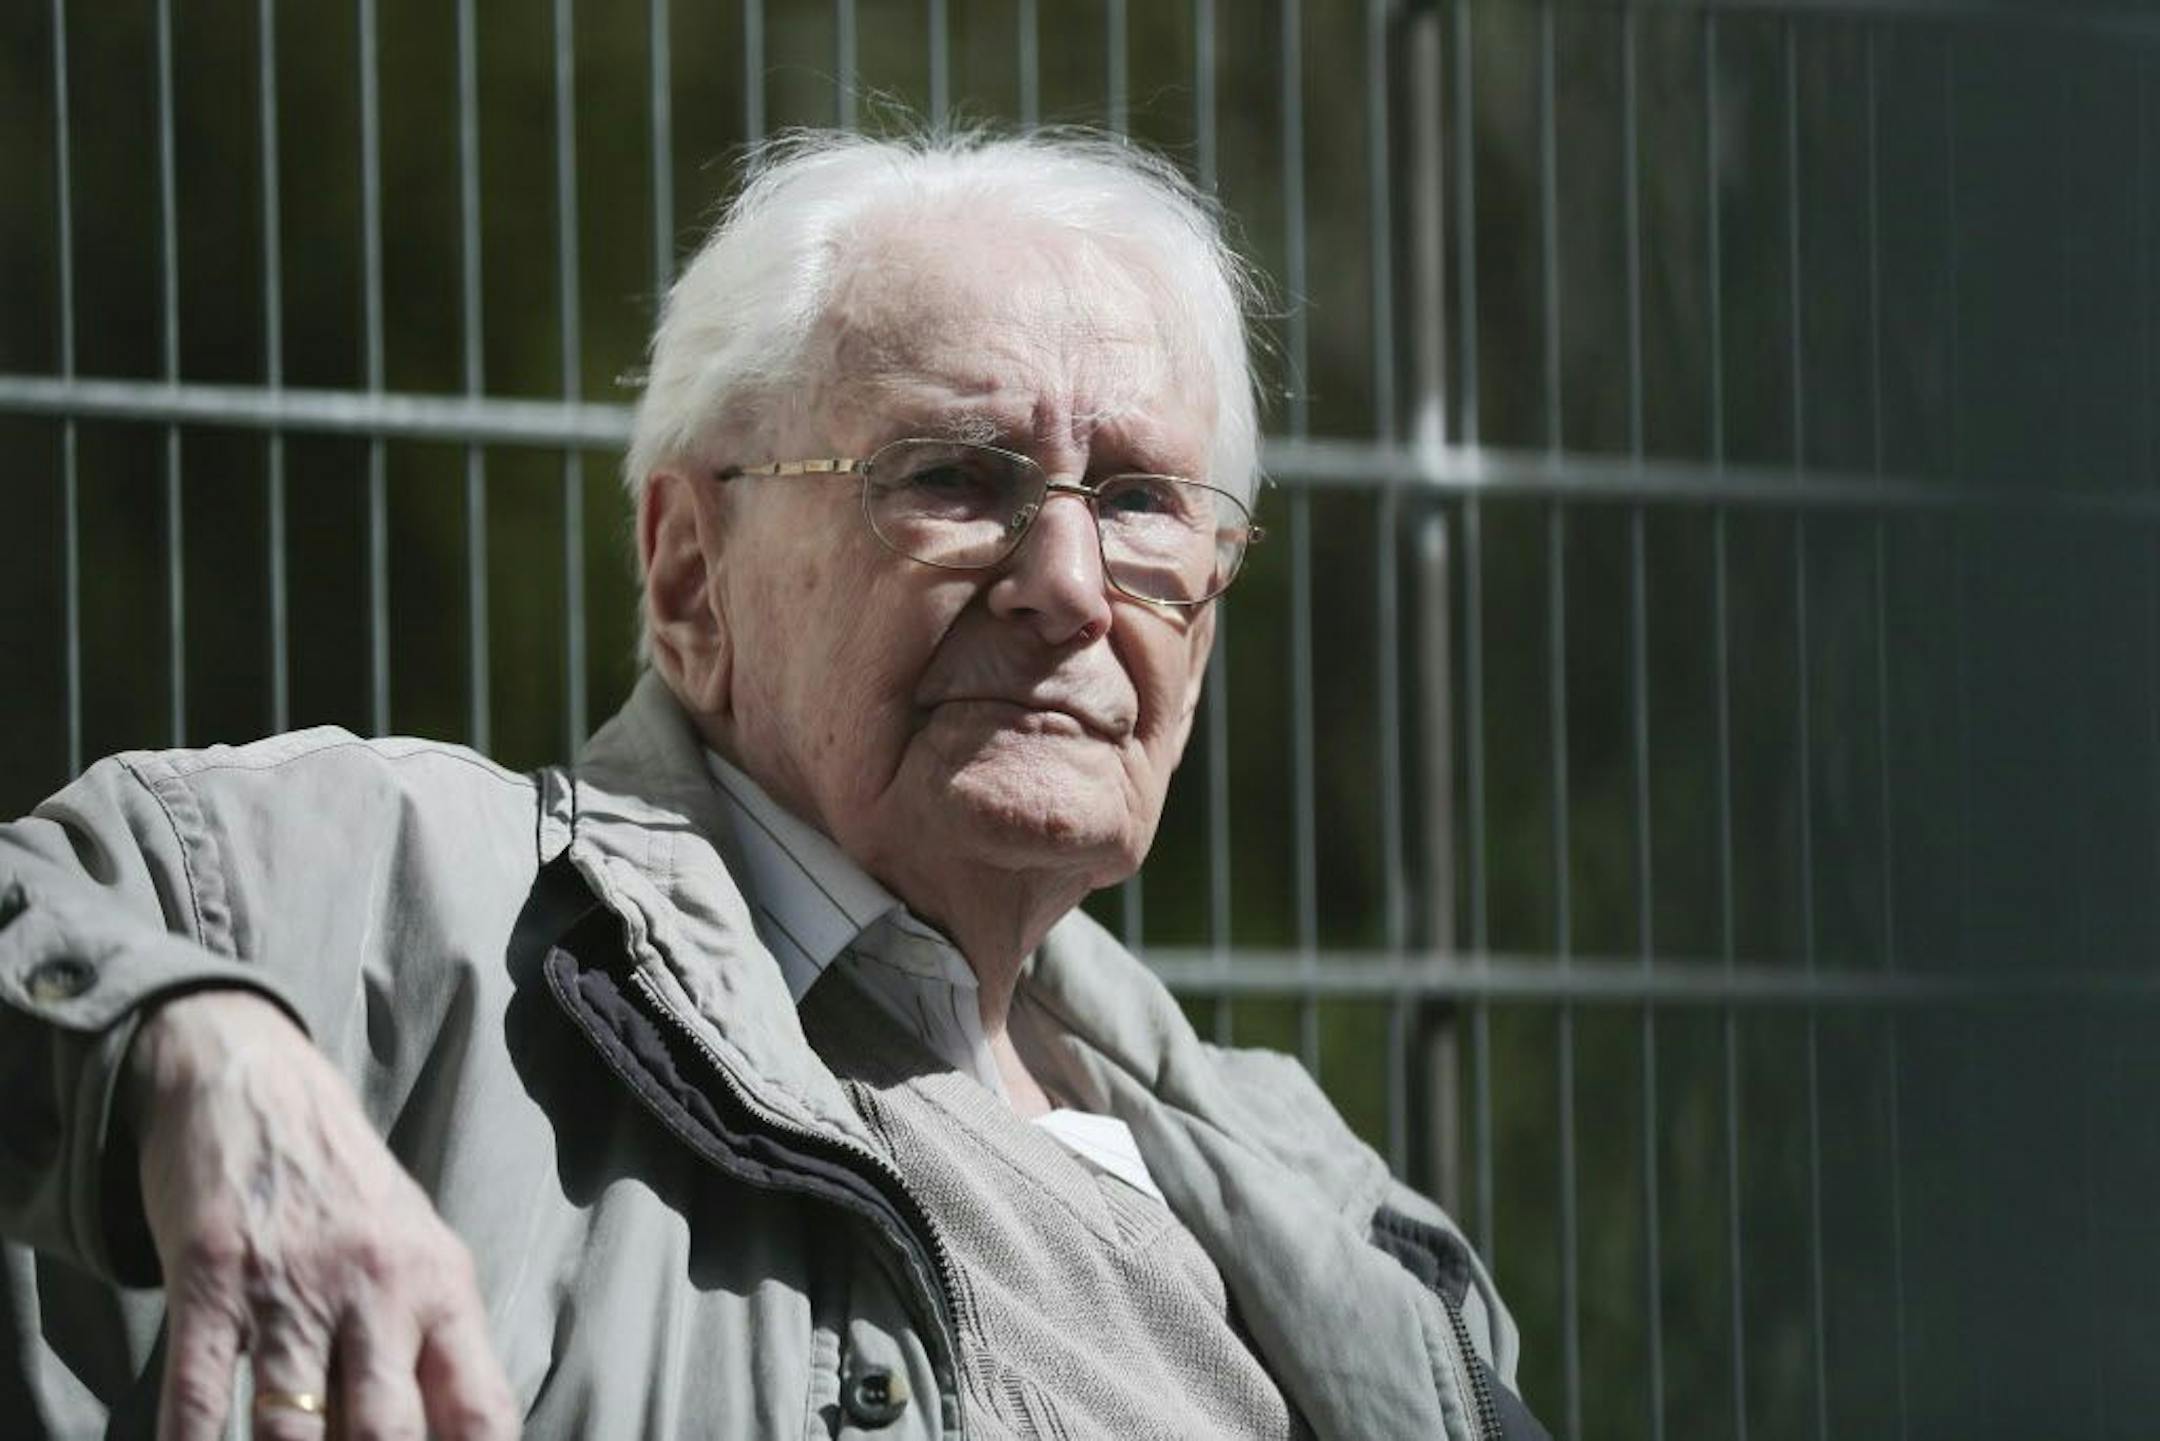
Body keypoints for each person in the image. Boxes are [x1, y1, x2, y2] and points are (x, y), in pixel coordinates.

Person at [0, 129, 1547, 1440]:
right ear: (689, 569)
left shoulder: (1307, 1183)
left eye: (1143, 501)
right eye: (953, 478)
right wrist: (188, 1052)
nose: (1071, 585)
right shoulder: (416, 906)